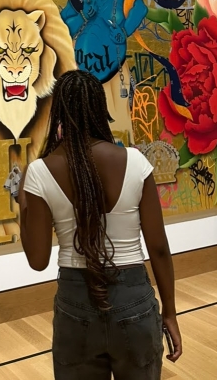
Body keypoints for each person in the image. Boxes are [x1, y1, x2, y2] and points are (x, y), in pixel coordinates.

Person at [18, 69, 182, 379]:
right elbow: (158, 249)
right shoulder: (135, 162)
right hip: (133, 296)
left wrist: (22, 205)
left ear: (59, 112)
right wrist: (170, 313)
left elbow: (37, 261)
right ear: (99, 108)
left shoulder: (39, 171)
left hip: (74, 301)